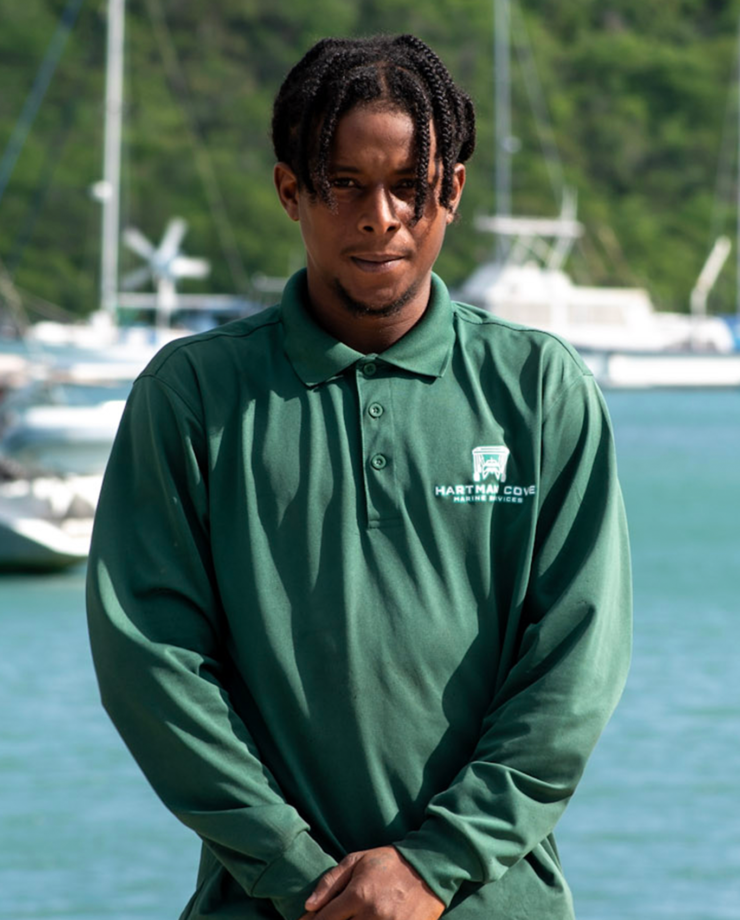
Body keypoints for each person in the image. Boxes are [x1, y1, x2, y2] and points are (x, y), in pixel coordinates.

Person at [86, 34, 631, 920]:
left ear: (451, 191)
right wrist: (299, 873)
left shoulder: (539, 389)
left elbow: (575, 665)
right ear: (290, 191)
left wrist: (434, 865)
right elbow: (150, 664)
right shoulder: (192, 396)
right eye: (344, 184)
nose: (381, 217)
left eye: (409, 185)